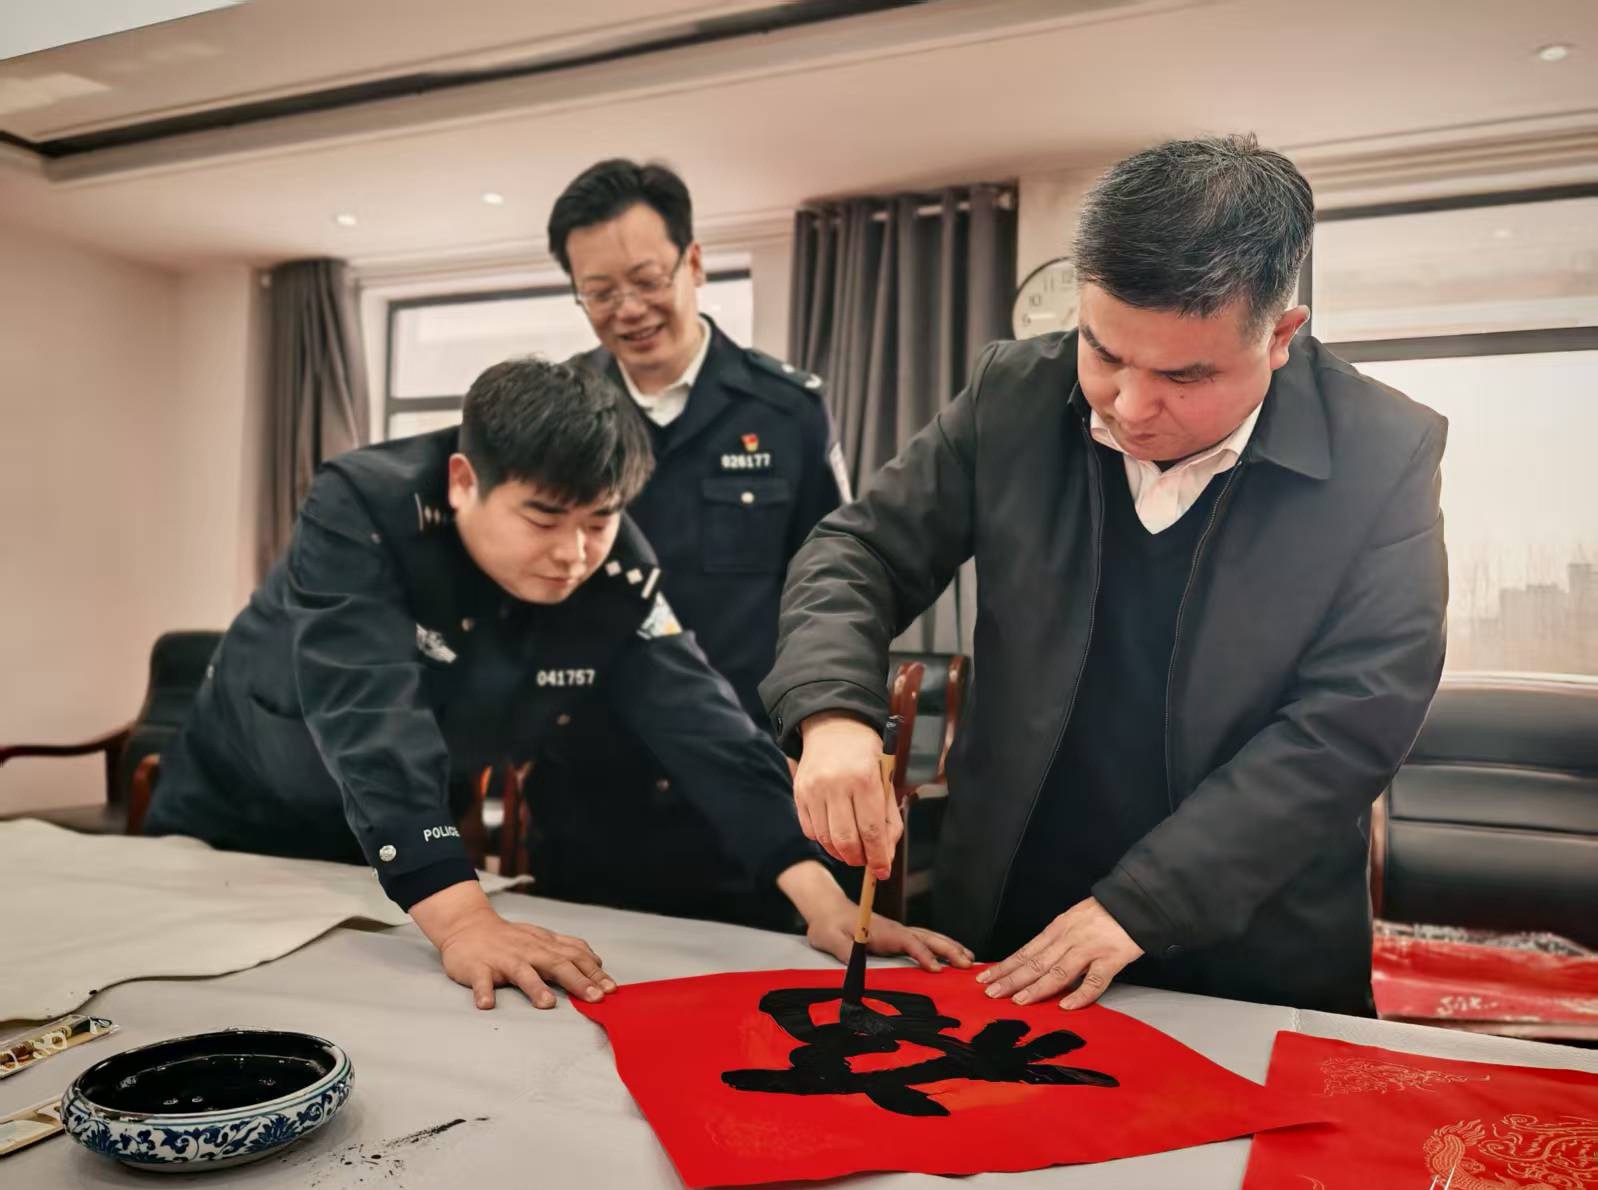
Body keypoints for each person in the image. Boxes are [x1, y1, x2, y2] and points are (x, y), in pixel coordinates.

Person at [760, 134, 1448, 1016]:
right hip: (1012, 906)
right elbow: (859, 553)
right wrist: (831, 715)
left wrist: (1142, 903)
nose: (1128, 405)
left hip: (1251, 935)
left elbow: (1352, 720)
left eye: (1183, 375)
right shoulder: (1013, 396)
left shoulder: (1382, 452)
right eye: (1104, 352)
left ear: (1280, 335)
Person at [145, 357, 969, 1010]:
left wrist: (822, 901)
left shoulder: (617, 568)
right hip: (240, 813)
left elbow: (708, 729)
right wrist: (462, 918)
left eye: (599, 521)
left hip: (402, 841)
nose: (574, 555)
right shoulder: (362, 504)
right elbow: (369, 709)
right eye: (543, 519)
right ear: (463, 482)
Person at [537, 158, 851, 925]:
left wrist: (823, 730)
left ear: (695, 263)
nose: (628, 309)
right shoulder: (556, 413)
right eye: (599, 292)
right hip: (590, 783)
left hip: (747, 786)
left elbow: (834, 592)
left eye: (646, 280)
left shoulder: (786, 410)